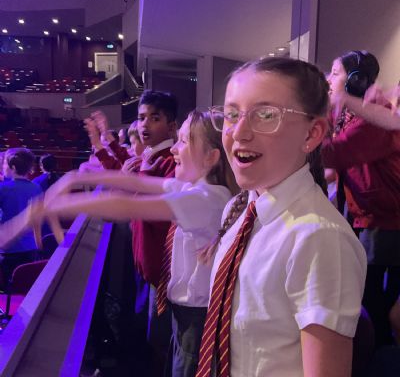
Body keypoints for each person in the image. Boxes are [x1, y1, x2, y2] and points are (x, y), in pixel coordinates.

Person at [194, 57, 366, 377]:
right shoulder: (241, 210)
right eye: (232, 114)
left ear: (311, 134)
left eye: (266, 115)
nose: (239, 132)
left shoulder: (319, 238)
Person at [31, 110, 237, 377]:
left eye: (184, 141)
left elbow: (126, 204)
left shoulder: (206, 198)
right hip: (186, 316)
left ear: (211, 157)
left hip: (197, 320)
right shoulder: (194, 189)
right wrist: (75, 178)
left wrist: (57, 205)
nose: (174, 148)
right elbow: (134, 181)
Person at [322, 50, 400, 348]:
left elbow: (333, 154)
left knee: (372, 298)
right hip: (365, 216)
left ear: (355, 80)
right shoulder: (352, 114)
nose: (328, 79)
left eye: (335, 73)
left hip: (382, 220)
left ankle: (382, 356)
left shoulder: (374, 118)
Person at [0, 148, 42, 284]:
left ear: (13, 167)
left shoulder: (3, 189)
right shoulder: (36, 188)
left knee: (7, 286)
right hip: (30, 247)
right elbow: (37, 220)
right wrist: (38, 245)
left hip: (8, 247)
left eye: (4, 164)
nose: (3, 167)